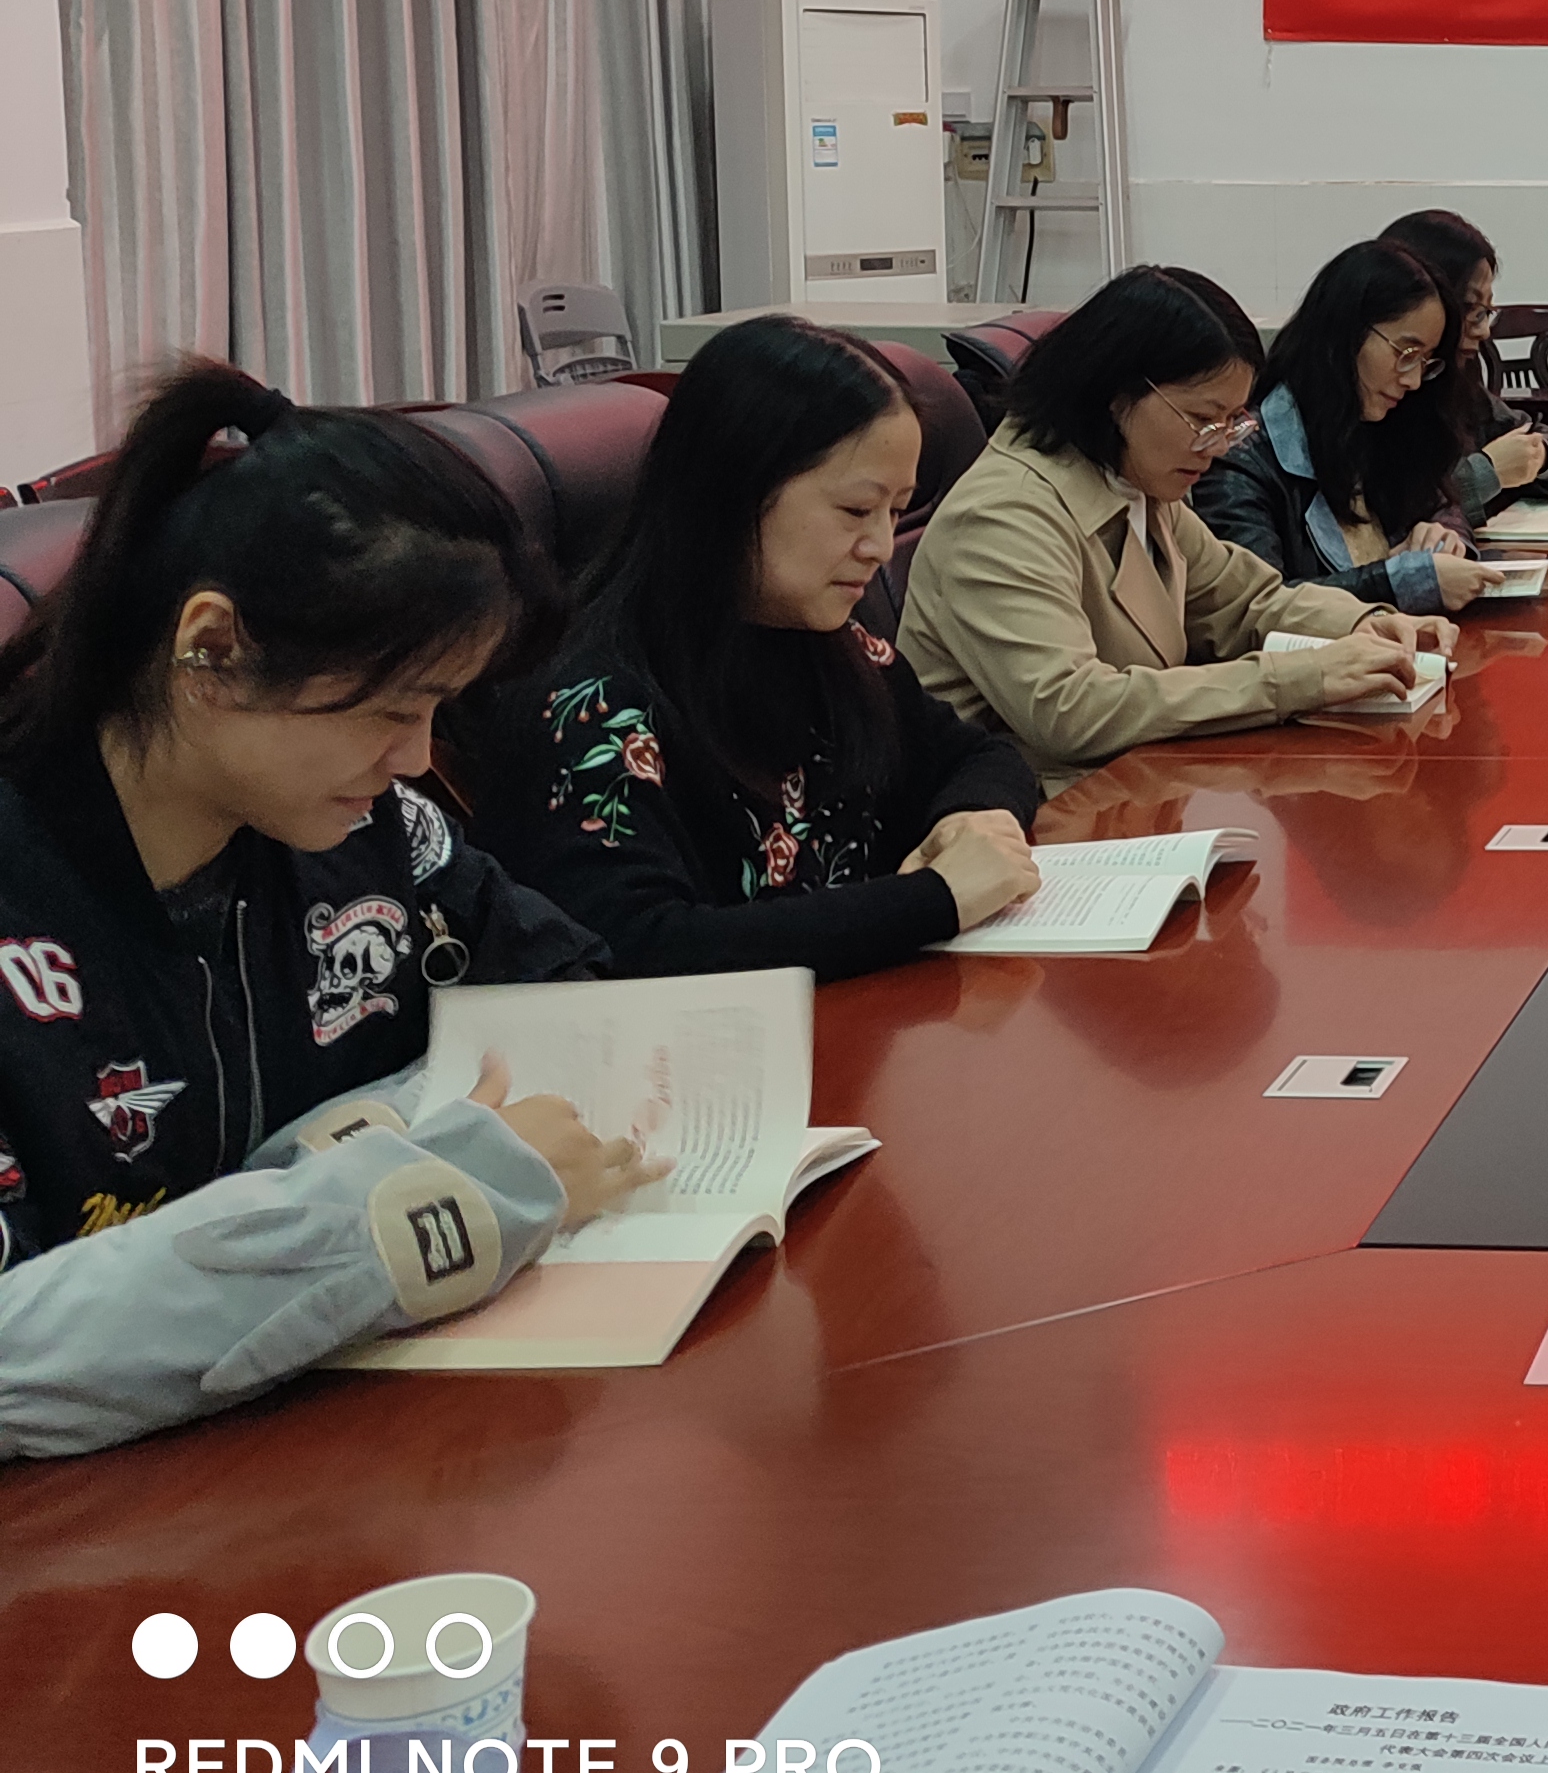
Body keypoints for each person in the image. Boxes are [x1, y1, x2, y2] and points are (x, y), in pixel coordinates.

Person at [0, 367, 663, 1459]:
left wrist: (342, 1159)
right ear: (213, 651)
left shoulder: (369, 829)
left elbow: (565, 987)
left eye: (437, 710)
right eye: (391, 711)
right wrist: (437, 1188)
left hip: (342, 1437)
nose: (415, 759)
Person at [474, 316, 1047, 980]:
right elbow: (637, 948)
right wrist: (935, 900)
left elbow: (981, 755)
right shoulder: (590, 707)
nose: (881, 547)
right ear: (735, 490)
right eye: (856, 510)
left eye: (897, 511)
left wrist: (971, 821)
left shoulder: (830, 645)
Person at [899, 266, 1448, 782]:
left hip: (1129, 784)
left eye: (1232, 422)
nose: (1219, 445)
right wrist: (1305, 678)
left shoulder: (1136, 477)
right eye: (1203, 419)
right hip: (1036, 810)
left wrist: (1362, 624)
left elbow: (1244, 601)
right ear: (1116, 396)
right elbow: (1070, 710)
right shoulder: (1003, 516)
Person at [1195, 241, 1490, 613]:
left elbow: (1443, 503)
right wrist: (1399, 581)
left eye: (1426, 362)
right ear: (1344, 334)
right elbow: (1261, 607)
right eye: (1407, 354)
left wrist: (1444, 536)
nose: (1414, 380)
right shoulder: (1244, 458)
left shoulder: (1385, 422)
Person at [1376, 208, 1548, 526]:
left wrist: (1538, 455)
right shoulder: (1377, 392)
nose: (1484, 331)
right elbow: (1395, 513)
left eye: (1487, 312)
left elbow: (1528, 430)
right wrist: (1489, 472)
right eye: (1472, 310)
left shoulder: (1454, 376)